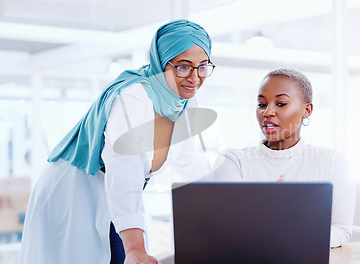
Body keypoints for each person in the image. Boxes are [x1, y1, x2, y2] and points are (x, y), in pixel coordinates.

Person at [19, 19, 214, 264]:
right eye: (184, 67)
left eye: (203, 66)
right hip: (74, 189)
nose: (195, 78)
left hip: (114, 196)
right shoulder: (133, 97)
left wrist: (234, 196)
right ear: (161, 62)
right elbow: (125, 168)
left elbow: (190, 164)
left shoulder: (183, 102)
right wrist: (134, 249)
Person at [211, 68, 355, 248]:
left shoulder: (333, 162)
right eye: (262, 104)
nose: (267, 112)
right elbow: (229, 231)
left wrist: (288, 235)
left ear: (307, 110)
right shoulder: (232, 162)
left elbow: (341, 229)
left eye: (280, 104)